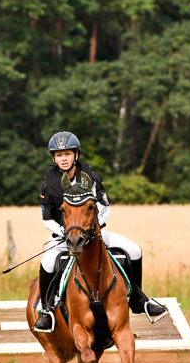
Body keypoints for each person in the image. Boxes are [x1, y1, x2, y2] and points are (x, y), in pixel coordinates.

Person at [33, 130, 168, 332]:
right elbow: (47, 219)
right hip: (64, 237)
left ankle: (139, 300)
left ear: (75, 155)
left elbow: (104, 208)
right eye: (59, 155)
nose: (63, 159)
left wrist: (90, 228)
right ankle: (47, 311)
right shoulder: (48, 184)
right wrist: (64, 231)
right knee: (48, 262)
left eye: (67, 154)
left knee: (134, 250)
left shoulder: (92, 177)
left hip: (93, 234)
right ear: (54, 158)